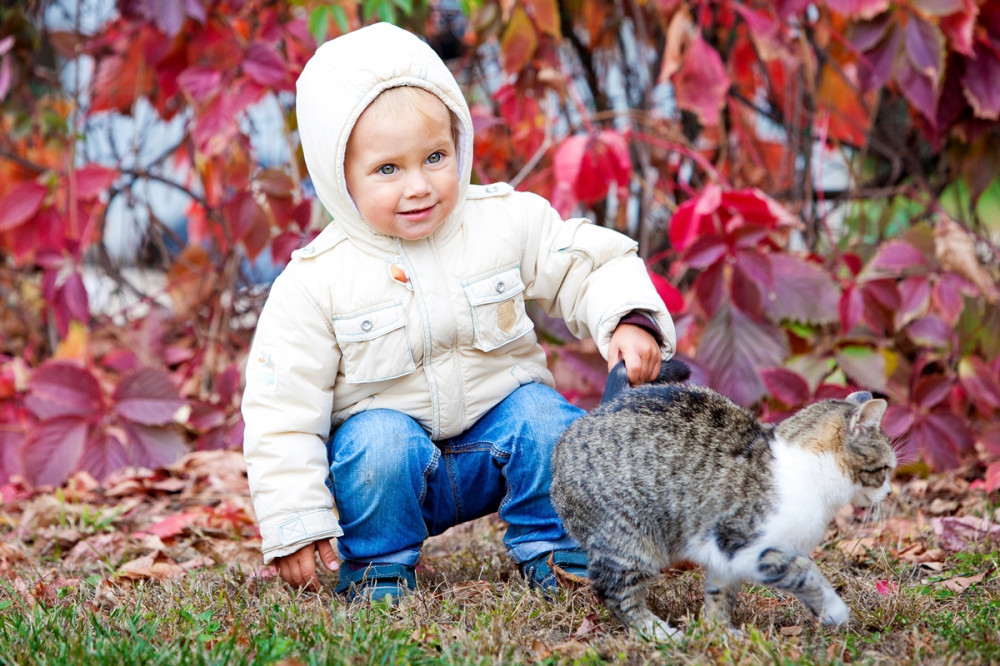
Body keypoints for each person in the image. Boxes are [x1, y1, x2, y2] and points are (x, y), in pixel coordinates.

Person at [241, 22, 676, 604]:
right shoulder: (316, 280)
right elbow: (281, 409)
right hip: (390, 470)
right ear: (338, 176)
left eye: (435, 157)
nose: (419, 186)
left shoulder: (501, 221)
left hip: (495, 441)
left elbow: (583, 261)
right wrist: (295, 520)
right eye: (388, 169)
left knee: (549, 422)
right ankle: (379, 569)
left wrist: (627, 317)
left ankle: (556, 549)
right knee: (377, 441)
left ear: (459, 142)